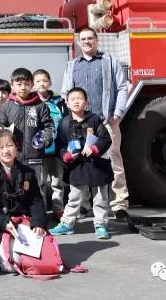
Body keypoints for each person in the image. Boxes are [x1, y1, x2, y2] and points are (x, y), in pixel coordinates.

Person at [61, 27, 129, 221]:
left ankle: (119, 204)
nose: (87, 42)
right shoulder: (72, 65)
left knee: (113, 161)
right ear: (78, 42)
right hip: (81, 124)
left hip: (106, 121)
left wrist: (117, 113)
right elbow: (66, 92)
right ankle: (84, 204)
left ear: (97, 40)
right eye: (83, 39)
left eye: (90, 38)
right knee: (82, 161)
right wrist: (72, 118)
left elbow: (122, 86)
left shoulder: (109, 61)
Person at [0, 129, 46, 271]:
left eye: (9, 145)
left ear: (16, 146)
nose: (6, 151)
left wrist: (38, 223)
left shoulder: (27, 172)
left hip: (23, 225)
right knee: (11, 264)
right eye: (0, 147)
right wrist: (3, 222)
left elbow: (36, 200)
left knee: (39, 256)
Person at [49, 87, 113, 240]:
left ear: (86, 102)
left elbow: (106, 139)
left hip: (97, 164)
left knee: (100, 197)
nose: (76, 101)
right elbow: (60, 145)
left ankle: (101, 225)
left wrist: (95, 148)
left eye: (80, 98)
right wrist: (66, 156)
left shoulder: (95, 119)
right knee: (74, 196)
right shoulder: (64, 123)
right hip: (77, 166)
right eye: (72, 99)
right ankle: (67, 223)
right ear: (67, 103)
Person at [0, 68, 53, 201]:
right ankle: (18, 211)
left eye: (27, 84)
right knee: (15, 187)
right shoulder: (7, 106)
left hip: (35, 157)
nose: (23, 87)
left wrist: (45, 140)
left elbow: (49, 126)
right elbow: (0, 129)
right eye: (19, 84)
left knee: (38, 187)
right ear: (12, 85)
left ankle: (39, 212)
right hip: (13, 158)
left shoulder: (40, 106)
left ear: (32, 84)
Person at [33, 69, 68, 219]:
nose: (42, 83)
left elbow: (66, 122)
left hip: (56, 149)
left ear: (50, 83)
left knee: (57, 182)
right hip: (39, 151)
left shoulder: (59, 102)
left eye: (45, 80)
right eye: (38, 81)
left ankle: (58, 209)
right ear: (33, 84)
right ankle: (41, 211)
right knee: (40, 183)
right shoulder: (32, 102)